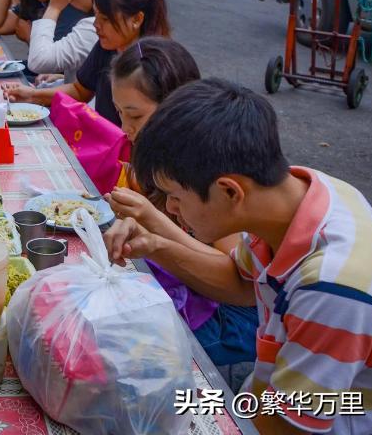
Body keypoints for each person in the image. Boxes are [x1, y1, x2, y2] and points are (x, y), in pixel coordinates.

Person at [106, 78, 372, 434]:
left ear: (229, 190)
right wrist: (155, 243)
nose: (172, 209)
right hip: (264, 395)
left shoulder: (333, 288)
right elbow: (239, 281)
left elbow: (286, 425)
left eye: (175, 196)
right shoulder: (299, 194)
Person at [106, 39, 258, 379]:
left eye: (135, 115)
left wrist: (151, 219)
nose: (125, 128)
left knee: (121, 353)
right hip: (193, 291)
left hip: (230, 316)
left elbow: (238, 282)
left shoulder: (213, 168)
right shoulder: (158, 157)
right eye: (119, 113)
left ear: (175, 107)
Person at [3, 0, 170, 126]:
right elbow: (80, 90)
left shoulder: (157, 64)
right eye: (96, 15)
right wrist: (32, 95)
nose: (96, 25)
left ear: (136, 19)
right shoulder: (106, 47)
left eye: (105, 19)